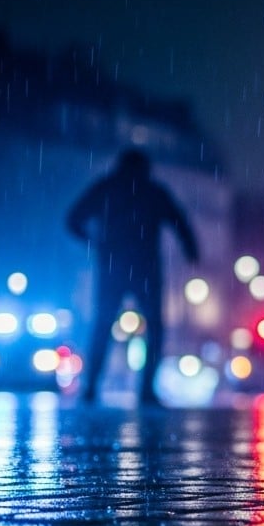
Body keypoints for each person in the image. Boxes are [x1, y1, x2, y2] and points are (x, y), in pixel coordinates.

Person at [66, 148, 200, 406]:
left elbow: (73, 219)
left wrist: (93, 241)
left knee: (103, 325)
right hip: (145, 266)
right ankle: (146, 390)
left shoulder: (106, 188)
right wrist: (190, 250)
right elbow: (179, 221)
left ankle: (92, 386)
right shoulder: (153, 191)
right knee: (154, 328)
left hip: (113, 265)